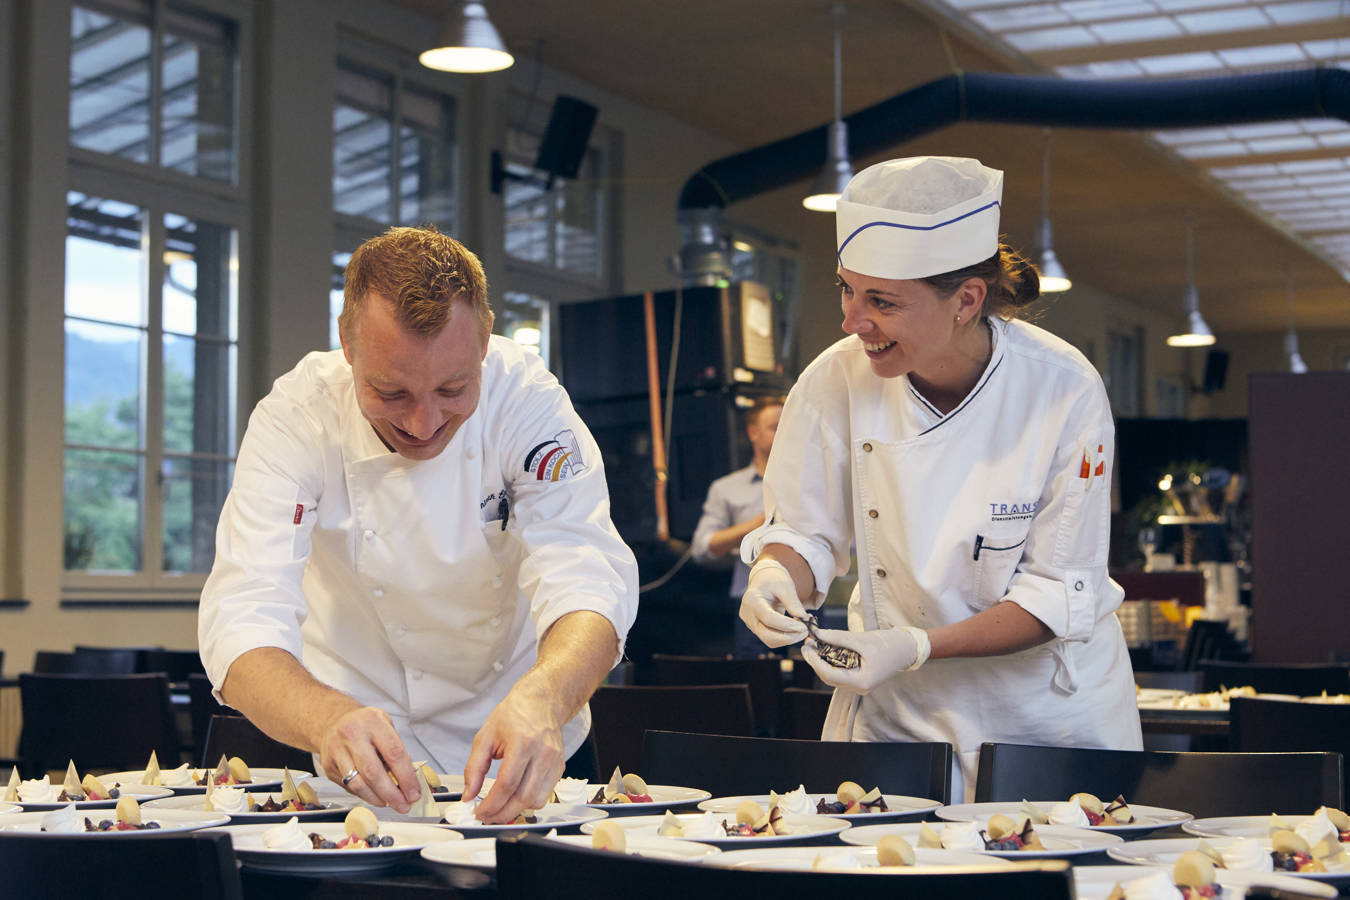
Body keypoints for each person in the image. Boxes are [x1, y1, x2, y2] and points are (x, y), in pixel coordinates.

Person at [198, 226, 638, 824]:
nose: (425, 422)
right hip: (346, 758)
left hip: (523, 740)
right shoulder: (297, 418)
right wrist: (325, 718)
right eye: (391, 391)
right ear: (347, 346)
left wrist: (547, 695)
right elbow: (243, 615)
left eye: (453, 389)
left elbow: (589, 578)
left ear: (484, 340)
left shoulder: (527, 400)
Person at [737, 157, 1142, 801]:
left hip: (1043, 723)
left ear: (967, 300)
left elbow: (1055, 593)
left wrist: (915, 645)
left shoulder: (1062, 389)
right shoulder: (833, 380)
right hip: (897, 718)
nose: (852, 320)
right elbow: (806, 532)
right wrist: (777, 575)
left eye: (883, 302)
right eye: (846, 289)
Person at [690, 395, 784, 657]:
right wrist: (759, 523)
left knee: (811, 690)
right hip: (751, 599)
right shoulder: (726, 488)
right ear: (753, 433)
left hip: (807, 602)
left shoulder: (810, 483)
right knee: (758, 685)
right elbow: (702, 546)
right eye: (775, 426)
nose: (785, 430)